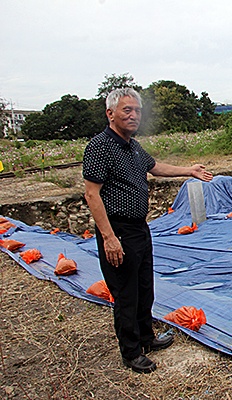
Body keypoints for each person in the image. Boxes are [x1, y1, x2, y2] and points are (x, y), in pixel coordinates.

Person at [83, 88, 213, 373]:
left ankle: (146, 337)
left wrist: (188, 170)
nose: (133, 115)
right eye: (126, 110)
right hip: (118, 230)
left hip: (140, 228)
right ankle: (131, 352)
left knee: (144, 287)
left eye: (137, 110)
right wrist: (109, 237)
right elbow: (92, 194)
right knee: (126, 293)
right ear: (110, 114)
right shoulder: (100, 146)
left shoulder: (133, 146)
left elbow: (155, 167)